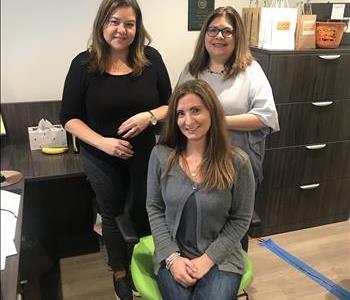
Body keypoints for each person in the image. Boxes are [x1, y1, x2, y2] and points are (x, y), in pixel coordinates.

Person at [59, 0, 171, 299]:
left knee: (145, 208)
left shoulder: (151, 60)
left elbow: (169, 104)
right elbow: (68, 118)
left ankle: (144, 263)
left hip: (144, 152)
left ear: (138, 27)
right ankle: (120, 270)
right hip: (99, 155)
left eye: (129, 23)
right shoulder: (83, 64)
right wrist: (103, 143)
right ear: (102, 25)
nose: (121, 29)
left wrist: (148, 116)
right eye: (114, 21)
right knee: (111, 212)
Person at [177, 6, 280, 251]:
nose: (219, 36)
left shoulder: (250, 71)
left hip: (237, 161)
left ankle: (233, 270)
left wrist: (217, 120)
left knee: (235, 222)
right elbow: (177, 111)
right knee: (200, 217)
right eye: (213, 30)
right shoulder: (192, 71)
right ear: (205, 35)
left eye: (227, 31)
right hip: (197, 160)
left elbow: (266, 117)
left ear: (237, 37)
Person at [146, 80, 255, 300]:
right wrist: (171, 258)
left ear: (212, 112)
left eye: (195, 110)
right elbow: (154, 208)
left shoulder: (238, 162)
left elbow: (241, 219)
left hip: (220, 257)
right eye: (180, 114)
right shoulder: (161, 156)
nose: (188, 121)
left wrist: (208, 260)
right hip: (172, 255)